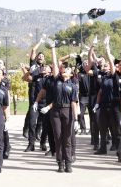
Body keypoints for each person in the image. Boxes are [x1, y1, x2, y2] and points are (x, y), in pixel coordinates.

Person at [34, 39, 78, 173]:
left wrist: (75, 119)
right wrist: (53, 48)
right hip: (56, 112)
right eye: (64, 68)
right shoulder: (56, 80)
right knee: (58, 138)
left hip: (67, 111)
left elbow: (73, 103)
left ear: (71, 73)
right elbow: (54, 63)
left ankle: (68, 162)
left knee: (67, 139)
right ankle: (60, 163)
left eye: (68, 68)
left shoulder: (73, 85)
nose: (65, 69)